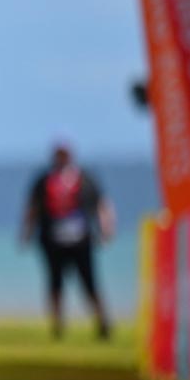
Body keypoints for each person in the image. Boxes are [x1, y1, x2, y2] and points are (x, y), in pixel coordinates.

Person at [20, 139, 116, 340]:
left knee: (89, 282)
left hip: (80, 240)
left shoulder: (85, 178)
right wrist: (26, 233)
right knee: (55, 283)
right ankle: (57, 324)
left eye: (64, 153)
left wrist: (106, 229)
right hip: (52, 240)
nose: (61, 157)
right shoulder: (44, 180)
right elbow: (32, 208)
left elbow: (102, 204)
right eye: (59, 154)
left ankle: (102, 321)